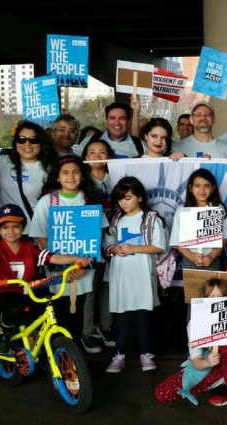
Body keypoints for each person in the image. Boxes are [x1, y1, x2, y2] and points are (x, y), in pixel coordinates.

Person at [0, 204, 91, 354]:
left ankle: (49, 349)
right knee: (14, 309)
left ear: (24, 227)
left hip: (30, 289)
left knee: (53, 308)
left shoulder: (31, 247)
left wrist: (76, 259)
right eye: (5, 227)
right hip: (7, 291)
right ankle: (4, 333)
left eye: (16, 226)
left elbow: (53, 257)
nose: (11, 231)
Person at [29, 155, 107, 341]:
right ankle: (59, 355)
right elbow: (42, 238)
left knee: (78, 313)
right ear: (57, 177)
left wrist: (84, 267)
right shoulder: (47, 202)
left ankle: (74, 356)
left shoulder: (89, 200)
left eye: (75, 172)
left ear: (82, 175)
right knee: (59, 314)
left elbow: (98, 236)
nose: (71, 177)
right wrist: (61, 268)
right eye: (65, 173)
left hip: (83, 270)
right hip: (56, 270)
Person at [155, 277, 227, 406]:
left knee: (224, 342)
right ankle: (210, 386)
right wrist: (207, 362)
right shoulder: (195, 323)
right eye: (211, 297)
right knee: (162, 392)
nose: (215, 301)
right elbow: (196, 361)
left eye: (220, 296)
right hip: (208, 365)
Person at [103, 177, 166, 373]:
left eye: (128, 198)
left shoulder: (151, 218)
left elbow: (159, 246)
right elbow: (107, 246)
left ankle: (145, 354)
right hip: (121, 274)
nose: (124, 202)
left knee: (142, 314)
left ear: (139, 197)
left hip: (142, 274)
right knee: (121, 315)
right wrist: (113, 248)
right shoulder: (115, 218)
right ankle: (119, 354)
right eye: (120, 199)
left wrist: (133, 247)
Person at [79, 140, 115, 353]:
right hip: (91, 238)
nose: (97, 155)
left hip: (115, 237)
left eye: (102, 151)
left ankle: (106, 326)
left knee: (108, 285)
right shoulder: (82, 181)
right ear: (85, 156)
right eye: (92, 152)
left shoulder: (117, 176)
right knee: (90, 287)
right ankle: (87, 331)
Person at [0, 120, 57, 236]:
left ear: (42, 143)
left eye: (33, 140)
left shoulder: (52, 169)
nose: (27, 144)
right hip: (4, 233)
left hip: (36, 232)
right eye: (21, 139)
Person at [170, 168, 227, 272]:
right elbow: (176, 240)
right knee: (192, 288)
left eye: (207, 186)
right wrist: (191, 256)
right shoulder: (182, 210)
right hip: (189, 259)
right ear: (191, 188)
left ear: (213, 188)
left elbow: (226, 236)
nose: (202, 190)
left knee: (213, 288)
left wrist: (211, 255)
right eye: (197, 186)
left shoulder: (221, 209)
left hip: (212, 259)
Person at [74, 102, 146, 158]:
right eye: (112, 118)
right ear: (106, 121)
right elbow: (72, 160)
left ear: (128, 122)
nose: (117, 123)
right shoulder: (93, 139)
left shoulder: (139, 145)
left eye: (122, 118)